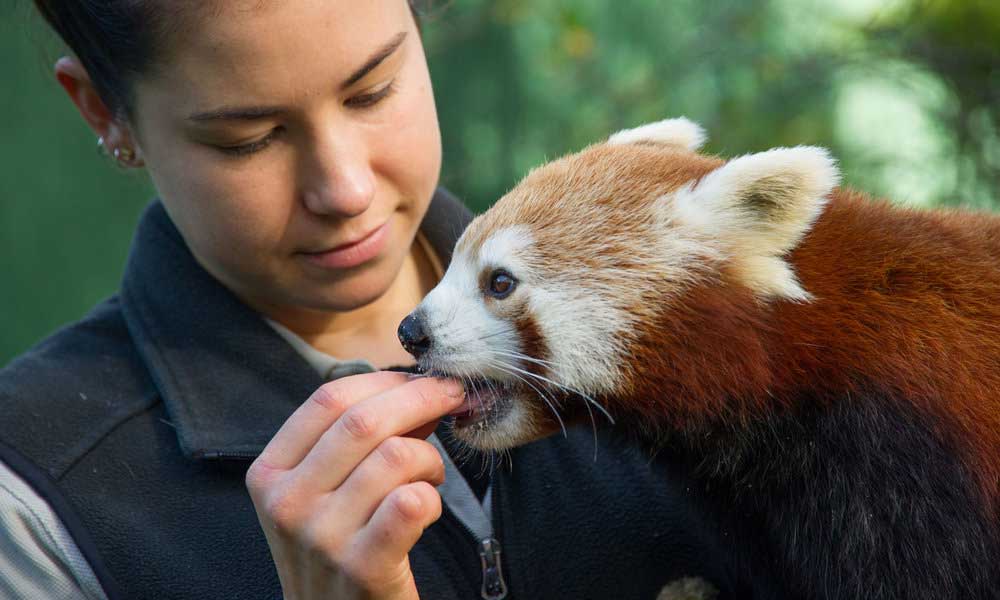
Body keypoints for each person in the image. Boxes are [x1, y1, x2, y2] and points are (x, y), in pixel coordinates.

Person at [1, 1, 729, 599]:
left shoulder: (698, 332)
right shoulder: (36, 501)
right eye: (250, 138)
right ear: (105, 113)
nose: (345, 190)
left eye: (372, 91)